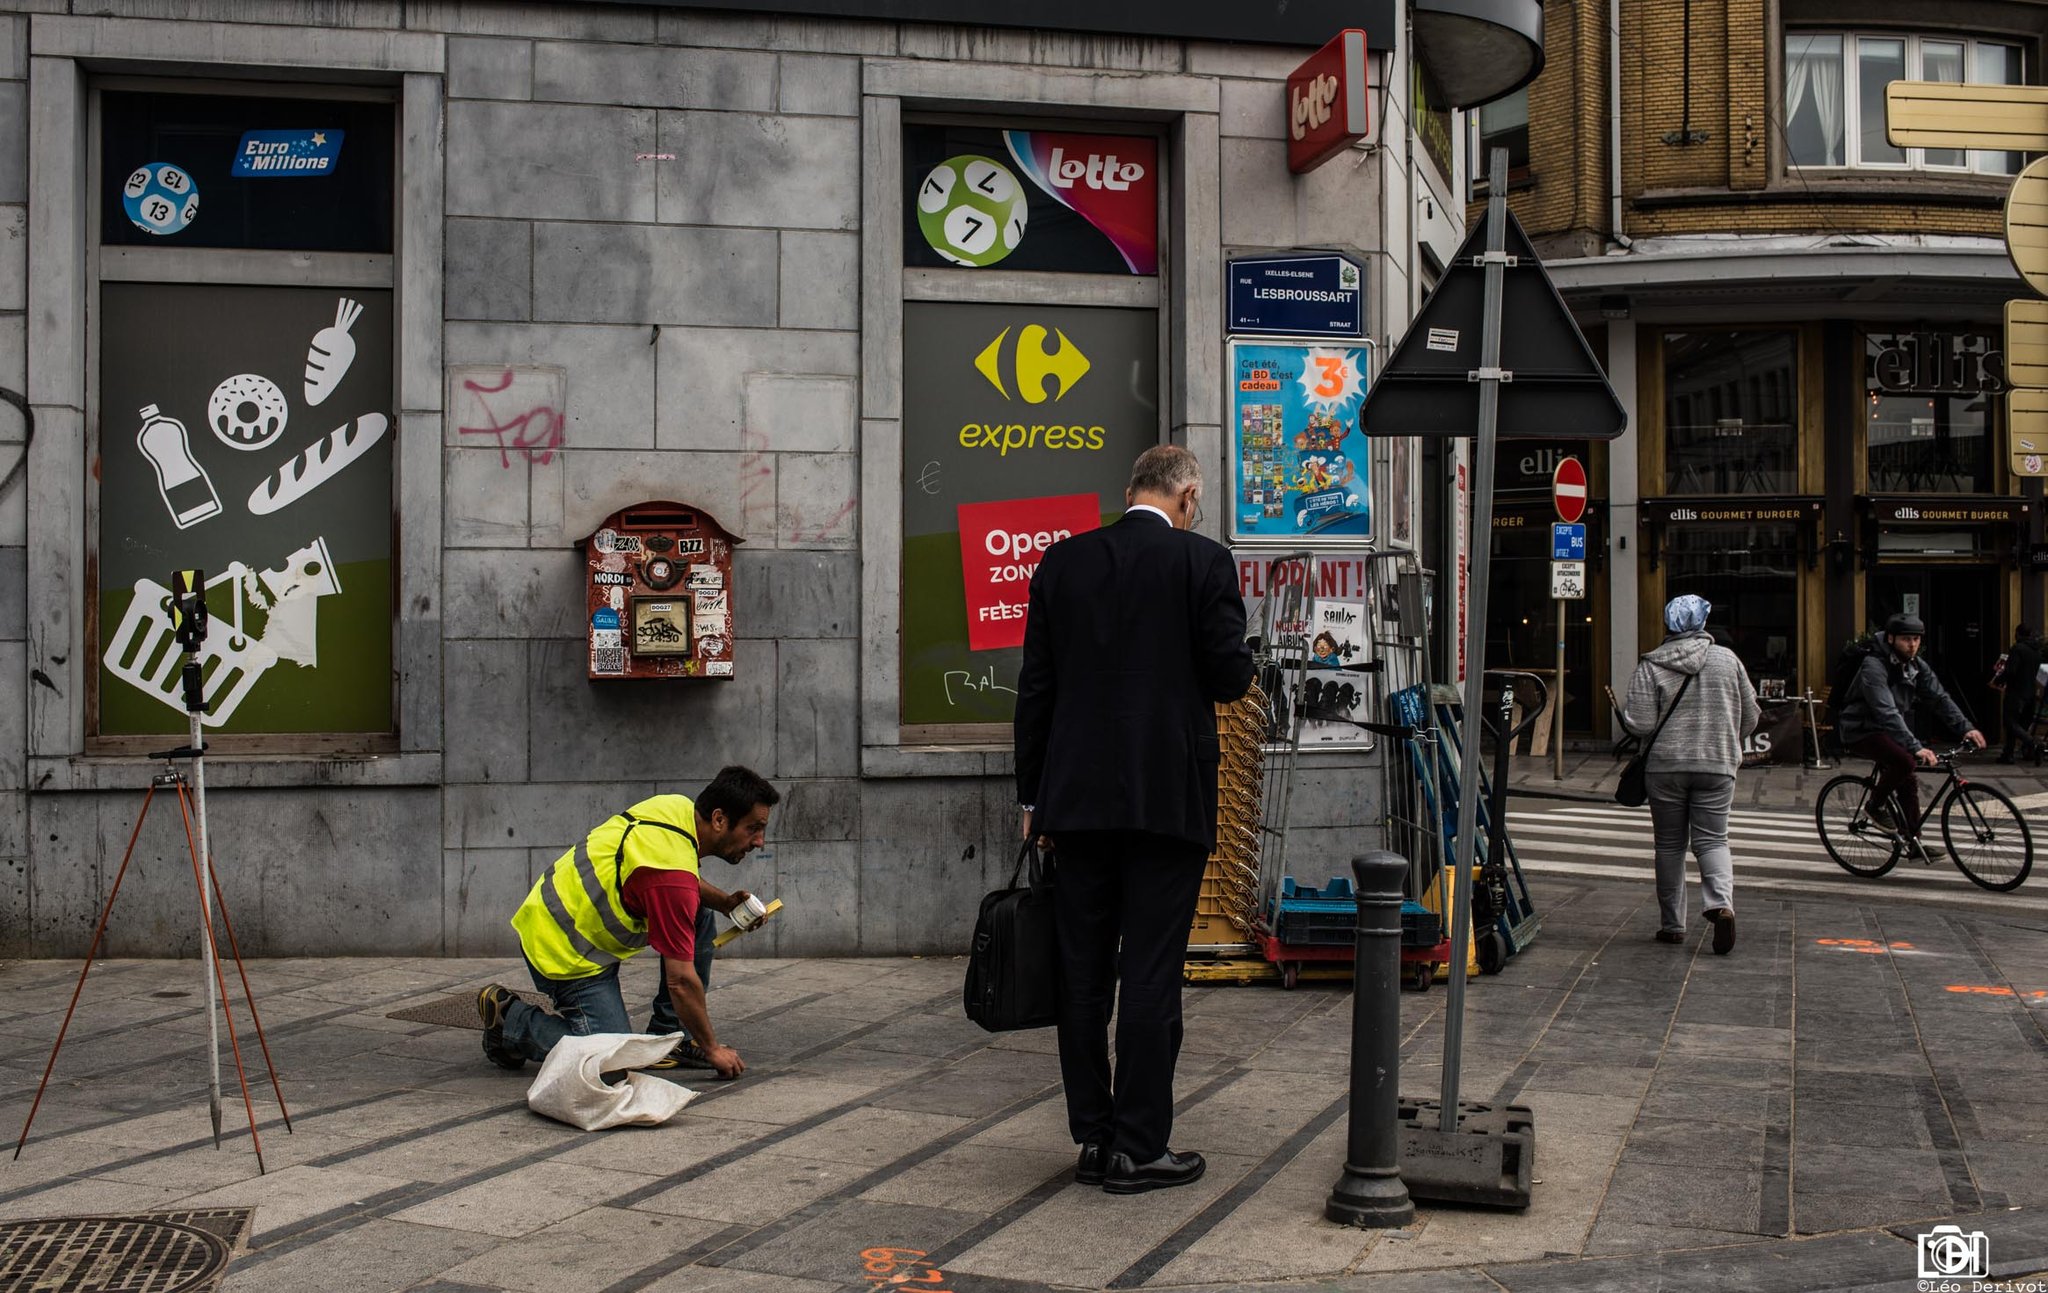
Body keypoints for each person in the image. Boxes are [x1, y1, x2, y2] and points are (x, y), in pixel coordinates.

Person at [1014, 444, 1254, 1196]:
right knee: (1150, 971)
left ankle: (1093, 1136)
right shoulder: (1203, 564)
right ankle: (1140, 1146)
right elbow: (1228, 675)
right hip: (1166, 801)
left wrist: (1033, 800)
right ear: (1186, 495)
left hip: (1076, 804)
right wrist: (1245, 657)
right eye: (1197, 502)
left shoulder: (1061, 564)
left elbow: (1036, 691)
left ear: (1131, 490)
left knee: (1082, 975)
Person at [476, 765, 780, 1080]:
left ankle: (670, 1033)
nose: (759, 842)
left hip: (570, 919)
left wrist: (725, 904)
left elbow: (673, 876)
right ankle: (510, 1021)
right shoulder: (671, 880)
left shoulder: (677, 810)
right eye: (753, 828)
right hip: (564, 949)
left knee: (698, 912)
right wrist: (712, 1047)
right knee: (612, 1066)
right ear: (719, 820)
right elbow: (681, 981)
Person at [1621, 594, 1760, 954]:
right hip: (1717, 764)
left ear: (1668, 625)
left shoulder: (1652, 664)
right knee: (1713, 840)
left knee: (1669, 845)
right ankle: (1720, 905)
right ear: (1703, 622)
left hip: (1665, 766)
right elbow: (1751, 716)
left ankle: (1672, 925)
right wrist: (1726, 734)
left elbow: (1640, 723)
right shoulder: (1728, 660)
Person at [1836, 612, 1986, 859]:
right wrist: (1915, 746)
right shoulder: (1873, 665)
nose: (1913, 644)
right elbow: (1885, 710)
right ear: (1892, 638)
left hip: (1890, 729)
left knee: (1908, 779)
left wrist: (1965, 727)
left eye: (1916, 639)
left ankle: (1913, 842)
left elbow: (1939, 698)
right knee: (1904, 761)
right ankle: (1875, 806)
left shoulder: (1916, 665)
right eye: (1906, 639)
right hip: (1860, 729)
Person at [1995, 624, 2043, 764]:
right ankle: (2008, 754)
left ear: (2019, 634)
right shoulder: (2036, 652)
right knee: (2019, 724)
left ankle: (2032, 743)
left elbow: (2011, 671)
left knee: (2010, 722)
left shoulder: (2018, 649)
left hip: (2016, 693)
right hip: (2030, 694)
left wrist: (1999, 679)